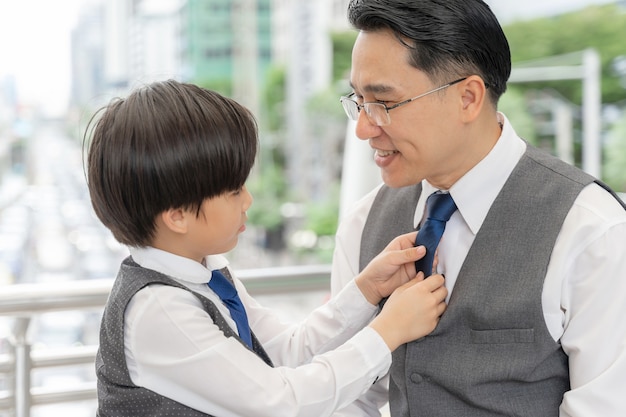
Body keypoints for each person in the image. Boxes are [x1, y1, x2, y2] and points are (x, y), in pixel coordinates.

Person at [330, 1, 626, 416]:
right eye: (358, 101)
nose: (363, 127)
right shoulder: (363, 223)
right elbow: (348, 396)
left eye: (384, 103)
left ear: (468, 97)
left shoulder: (591, 230)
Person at [84, 79, 448, 417]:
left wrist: (366, 291)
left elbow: (286, 350)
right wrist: (388, 332)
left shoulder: (205, 271)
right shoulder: (158, 309)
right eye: (232, 191)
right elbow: (280, 403)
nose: (248, 200)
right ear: (177, 216)